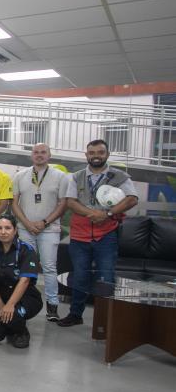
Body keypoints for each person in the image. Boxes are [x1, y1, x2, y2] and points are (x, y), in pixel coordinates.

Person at [60, 139, 138, 327]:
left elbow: (132, 199)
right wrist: (93, 214)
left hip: (107, 236)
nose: (96, 156)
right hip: (80, 236)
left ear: (107, 155)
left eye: (100, 152)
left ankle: (106, 320)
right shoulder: (75, 177)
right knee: (79, 275)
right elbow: (70, 201)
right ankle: (75, 314)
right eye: (92, 152)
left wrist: (108, 214)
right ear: (86, 155)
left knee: (106, 277)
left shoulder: (120, 176)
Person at [11, 143, 68, 321]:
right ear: (31, 156)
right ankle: (24, 300)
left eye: (43, 152)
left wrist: (44, 222)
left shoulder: (60, 177)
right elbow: (14, 203)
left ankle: (52, 307)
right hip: (25, 229)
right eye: (36, 152)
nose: (39, 155)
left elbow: (63, 204)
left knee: (49, 267)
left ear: (49, 155)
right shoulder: (20, 176)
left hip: (49, 229)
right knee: (25, 267)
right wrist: (27, 223)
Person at [0, 215, 43, 348]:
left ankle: (21, 331)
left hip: (24, 297)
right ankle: (8, 324)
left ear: (15, 230)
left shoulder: (26, 250)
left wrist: (10, 305)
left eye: (8, 228)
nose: (3, 232)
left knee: (13, 314)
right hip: (1, 296)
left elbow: (25, 280)